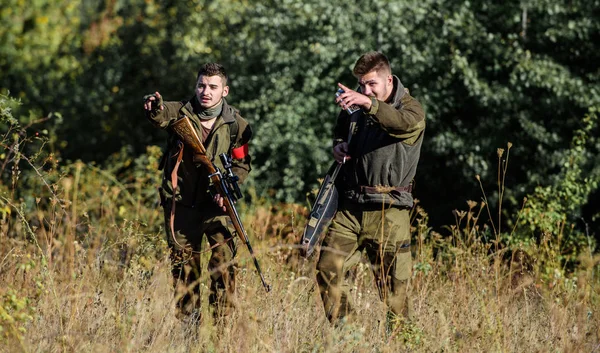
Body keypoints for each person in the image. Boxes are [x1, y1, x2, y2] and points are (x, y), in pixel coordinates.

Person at [316, 51, 425, 325]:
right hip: (351, 209)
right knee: (328, 269)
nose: (365, 90)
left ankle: (402, 345)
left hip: (391, 211)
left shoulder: (412, 110)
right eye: (362, 85)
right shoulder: (360, 106)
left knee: (395, 296)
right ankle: (349, 335)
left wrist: (367, 103)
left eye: (371, 84)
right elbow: (343, 126)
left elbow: (398, 124)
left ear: (389, 80)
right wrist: (339, 145)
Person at [143, 63, 252, 320]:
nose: (206, 91)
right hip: (182, 205)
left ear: (224, 91)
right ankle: (189, 333)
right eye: (201, 85)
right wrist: (153, 106)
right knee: (184, 272)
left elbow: (242, 162)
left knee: (224, 263)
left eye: (213, 87)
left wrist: (227, 185)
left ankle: (221, 329)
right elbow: (159, 114)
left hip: (216, 206)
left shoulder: (235, 124)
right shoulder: (180, 111)